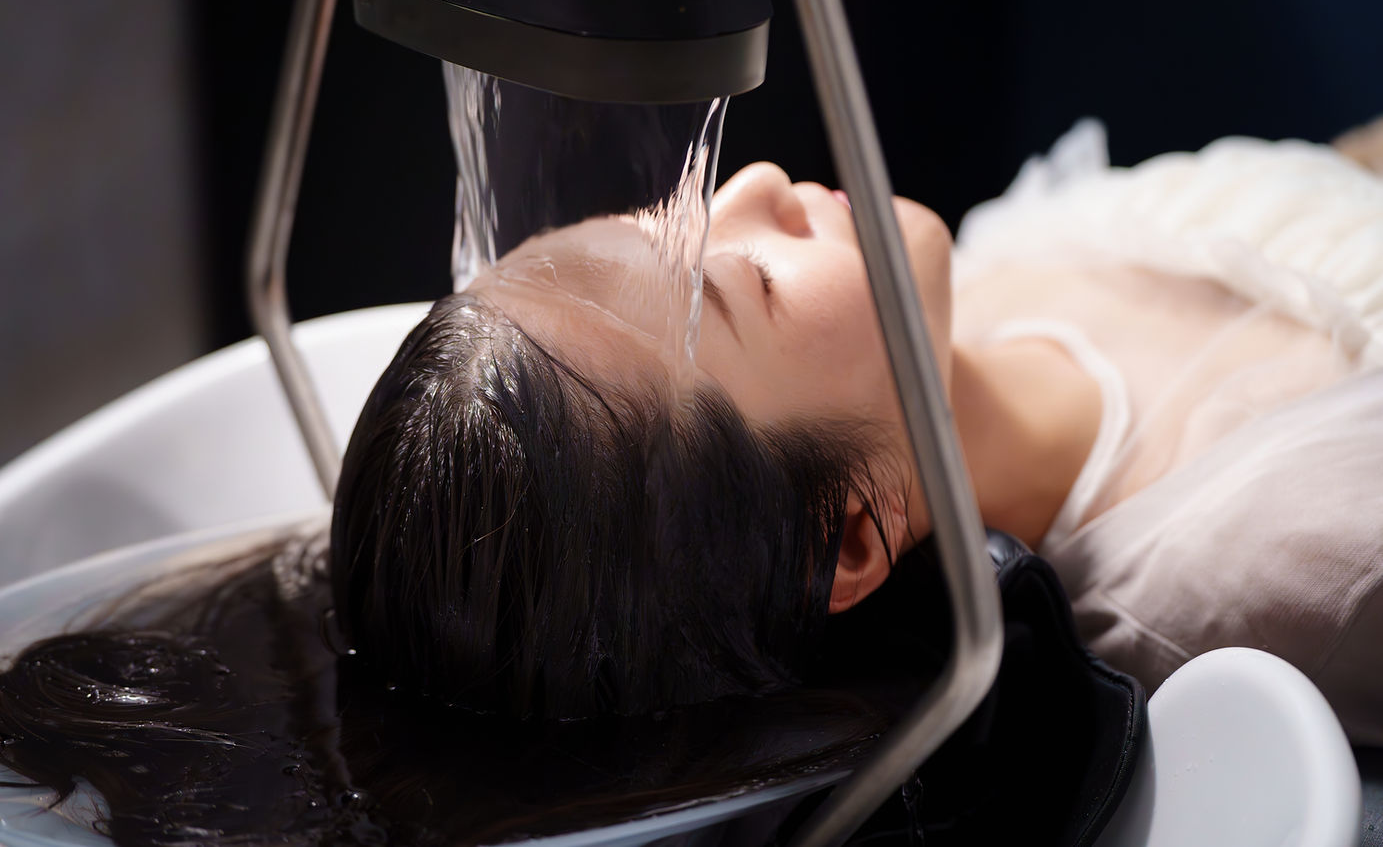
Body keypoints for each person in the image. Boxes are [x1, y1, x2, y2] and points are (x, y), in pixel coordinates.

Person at [334, 119, 1383, 743]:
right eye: (738, 287)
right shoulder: (1300, 544)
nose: (752, 188)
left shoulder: (995, 264)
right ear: (848, 537)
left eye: (664, 216)